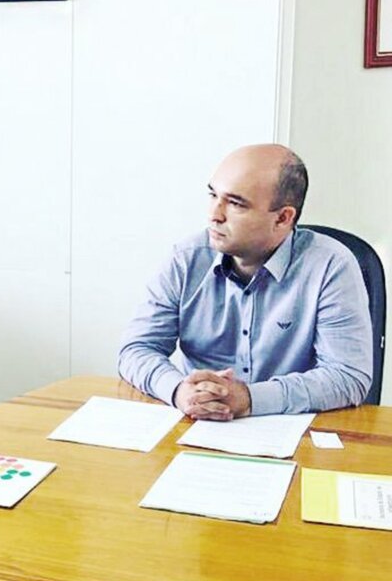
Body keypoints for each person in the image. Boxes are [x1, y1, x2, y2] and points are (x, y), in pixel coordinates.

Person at [118, 144, 372, 419]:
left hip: (295, 433)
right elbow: (136, 349)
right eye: (213, 195)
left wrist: (251, 399)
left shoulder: (330, 266)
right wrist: (179, 390)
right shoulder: (186, 259)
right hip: (199, 424)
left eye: (236, 203)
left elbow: (348, 377)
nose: (214, 215)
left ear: (283, 218)